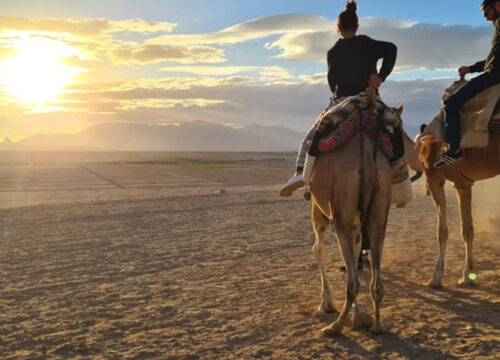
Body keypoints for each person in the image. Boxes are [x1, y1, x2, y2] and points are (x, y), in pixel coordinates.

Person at [279, 1, 397, 197]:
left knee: (310, 139)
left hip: (341, 102)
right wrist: (380, 77)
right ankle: (401, 186)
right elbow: (392, 49)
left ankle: (301, 174)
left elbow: (331, 82)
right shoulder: (366, 43)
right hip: (368, 100)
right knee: (394, 132)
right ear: (357, 26)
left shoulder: (332, 52)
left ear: (338, 28)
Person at [434, 0, 500, 168]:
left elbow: (493, 65)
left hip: (493, 77)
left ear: (498, 6)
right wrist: (470, 68)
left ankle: (454, 149)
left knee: (451, 103)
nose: (485, 17)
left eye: (486, 12)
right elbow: (492, 60)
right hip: (492, 73)